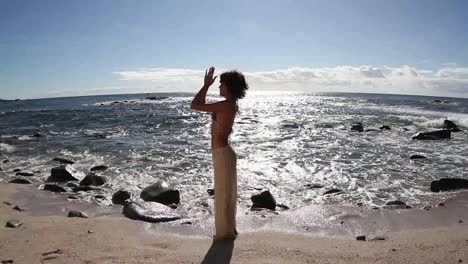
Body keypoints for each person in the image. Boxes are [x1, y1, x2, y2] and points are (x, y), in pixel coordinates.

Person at [191, 66, 248, 240]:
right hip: (223, 153)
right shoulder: (229, 105)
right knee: (226, 194)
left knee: (224, 195)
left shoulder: (227, 106)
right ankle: (229, 230)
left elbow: (195, 105)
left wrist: (206, 85)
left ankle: (225, 234)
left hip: (223, 154)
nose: (219, 87)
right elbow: (198, 105)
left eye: (221, 84)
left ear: (229, 86)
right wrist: (207, 85)